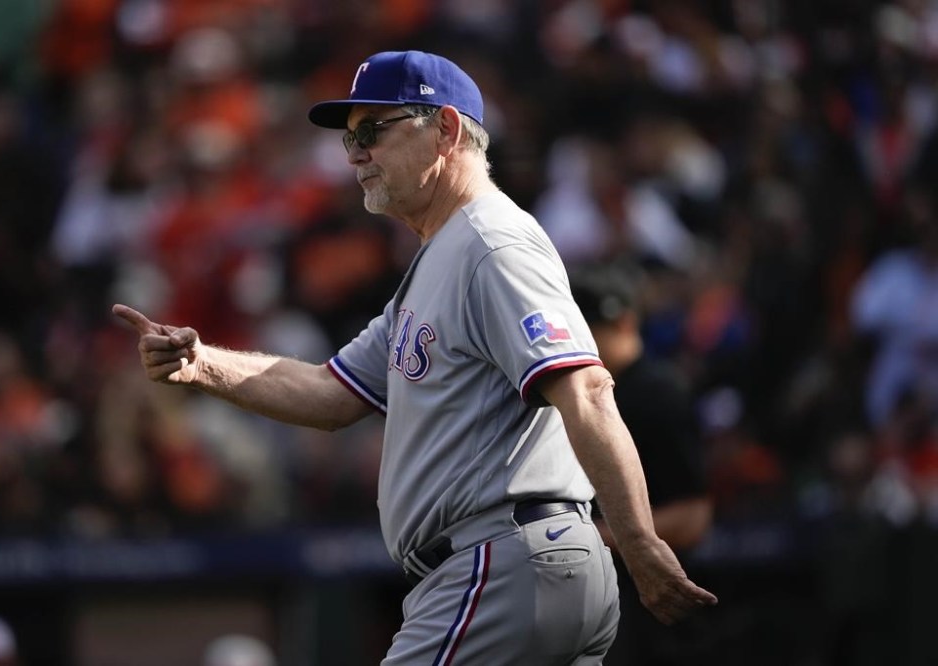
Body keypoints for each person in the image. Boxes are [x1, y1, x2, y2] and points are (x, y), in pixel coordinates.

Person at [114, 50, 717, 664]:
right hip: (520, 561)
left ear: (447, 130)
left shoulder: (491, 243)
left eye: (373, 131)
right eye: (350, 138)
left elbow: (585, 390)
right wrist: (203, 364)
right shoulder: (443, 258)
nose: (354, 154)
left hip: (499, 560)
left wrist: (640, 541)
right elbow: (332, 394)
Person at [570, 263, 714, 665]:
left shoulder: (657, 393)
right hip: (597, 602)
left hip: (655, 616)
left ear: (625, 322)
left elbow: (693, 517)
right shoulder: (577, 397)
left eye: (591, 329)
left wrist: (591, 534)